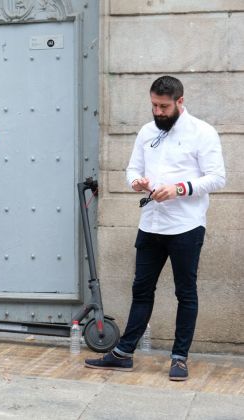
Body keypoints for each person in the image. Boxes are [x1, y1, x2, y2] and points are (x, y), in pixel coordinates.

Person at [85, 76, 226, 381]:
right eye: (154, 105)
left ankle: (179, 357)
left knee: (185, 292)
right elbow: (132, 169)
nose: (158, 112)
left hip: (186, 226)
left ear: (180, 102)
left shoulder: (203, 132)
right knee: (141, 289)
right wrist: (137, 182)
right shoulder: (147, 132)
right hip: (151, 223)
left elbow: (217, 178)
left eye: (163, 106)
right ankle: (123, 354)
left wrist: (180, 188)